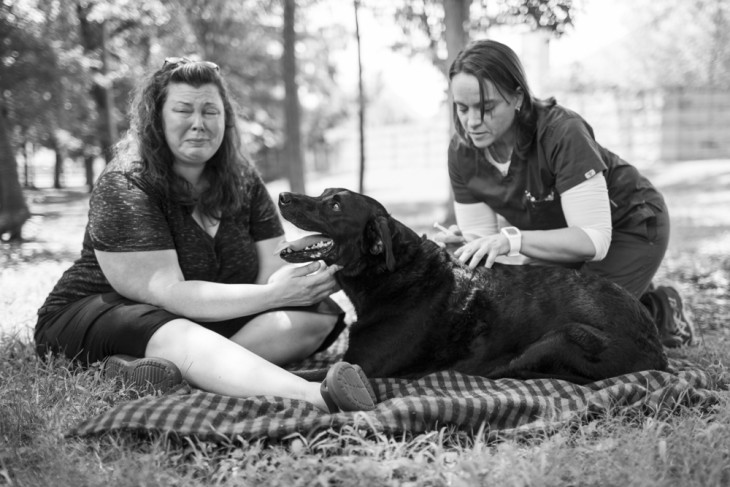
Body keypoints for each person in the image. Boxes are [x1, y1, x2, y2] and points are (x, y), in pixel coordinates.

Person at [34, 57, 377, 413]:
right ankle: (315, 397)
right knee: (175, 330)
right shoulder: (126, 182)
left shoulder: (242, 179)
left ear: (225, 118)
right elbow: (168, 293)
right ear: (157, 117)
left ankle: (177, 372)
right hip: (100, 312)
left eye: (210, 111)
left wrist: (309, 275)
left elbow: (271, 267)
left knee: (316, 314)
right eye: (183, 110)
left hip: (198, 317)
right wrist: (274, 295)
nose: (198, 123)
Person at [434, 39, 694, 348]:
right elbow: (484, 246)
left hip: (631, 223)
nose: (472, 122)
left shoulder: (562, 131)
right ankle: (642, 298)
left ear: (518, 98)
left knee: (576, 337)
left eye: (486, 108)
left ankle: (662, 309)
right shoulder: (462, 152)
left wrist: (512, 240)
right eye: (462, 108)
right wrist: (467, 244)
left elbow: (592, 241)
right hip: (560, 236)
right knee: (528, 317)